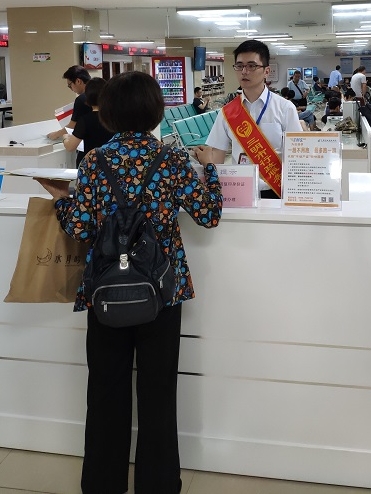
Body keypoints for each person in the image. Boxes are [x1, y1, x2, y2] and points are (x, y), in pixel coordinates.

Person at [35, 71, 223, 494]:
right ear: (156, 112)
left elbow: (80, 227)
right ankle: (158, 484)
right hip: (163, 290)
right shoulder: (173, 160)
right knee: (158, 395)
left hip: (105, 289)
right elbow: (209, 214)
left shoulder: (94, 161)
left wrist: (62, 200)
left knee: (105, 392)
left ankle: (103, 484)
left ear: (108, 114)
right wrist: (210, 168)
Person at [198, 39, 302, 199]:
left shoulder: (285, 108)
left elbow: (297, 156)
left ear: (266, 71)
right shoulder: (227, 112)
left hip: (275, 191)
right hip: (239, 192)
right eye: (239, 66)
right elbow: (217, 159)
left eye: (251, 66)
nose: (244, 71)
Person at [61, 77, 114, 164]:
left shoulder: (85, 120)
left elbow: (70, 147)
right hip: (111, 163)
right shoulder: (114, 118)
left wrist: (65, 138)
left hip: (89, 164)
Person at [47, 65, 92, 157]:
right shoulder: (103, 95)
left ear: (78, 81)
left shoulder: (82, 99)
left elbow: (72, 126)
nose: (71, 89)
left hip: (88, 149)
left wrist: (56, 134)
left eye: (70, 85)